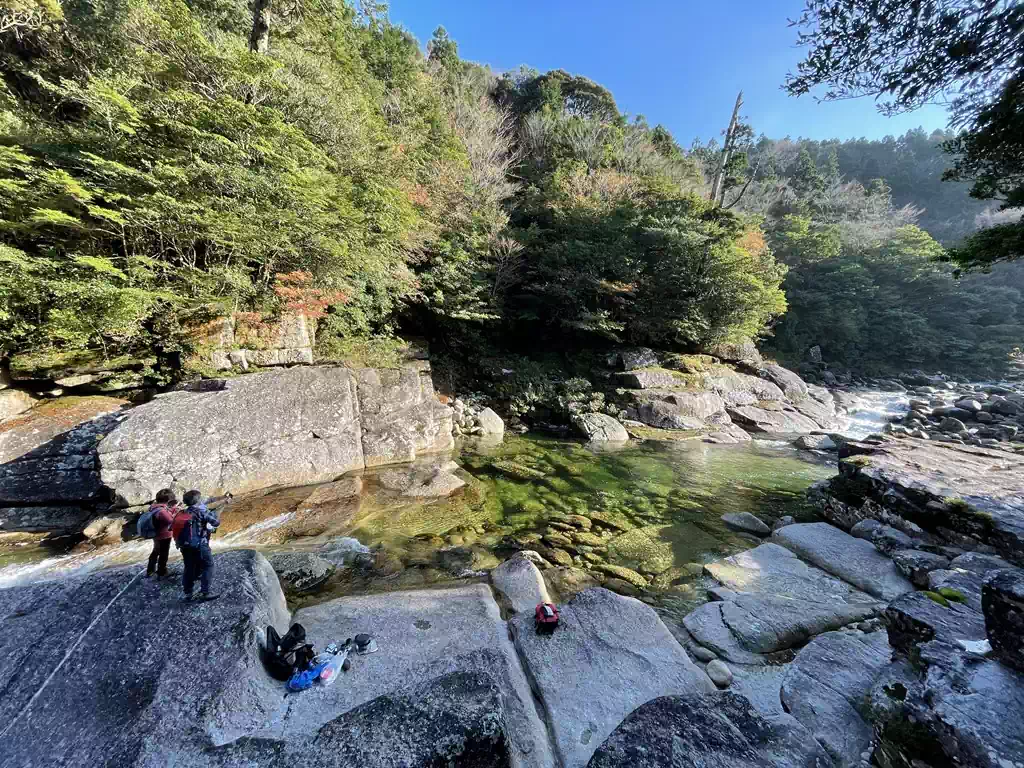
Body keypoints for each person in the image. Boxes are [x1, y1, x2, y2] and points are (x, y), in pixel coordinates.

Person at [177, 489, 220, 602]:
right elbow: (216, 522)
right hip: (199, 545)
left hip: (184, 546)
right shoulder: (201, 512)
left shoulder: (181, 513)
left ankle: (188, 593)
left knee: (188, 567)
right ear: (197, 501)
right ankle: (205, 592)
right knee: (208, 565)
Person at [146, 488, 177, 579]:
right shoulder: (162, 511)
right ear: (168, 500)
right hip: (164, 535)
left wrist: (171, 509)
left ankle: (150, 570)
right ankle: (162, 572)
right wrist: (175, 511)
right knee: (164, 554)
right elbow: (171, 521)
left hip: (156, 535)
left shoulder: (154, 507)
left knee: (156, 551)